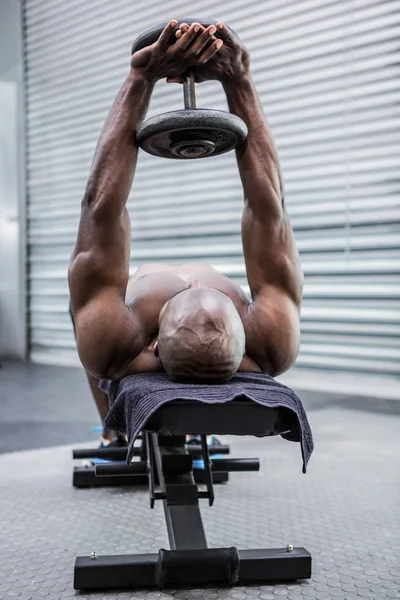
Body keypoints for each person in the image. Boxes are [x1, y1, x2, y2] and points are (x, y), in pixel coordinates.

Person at [68, 20, 303, 445]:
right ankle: (120, 428)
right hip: (193, 336)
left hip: (118, 331)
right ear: (242, 333)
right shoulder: (271, 341)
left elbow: (101, 208)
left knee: (87, 310)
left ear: (152, 348)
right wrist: (238, 79)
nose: (190, 286)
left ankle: (113, 428)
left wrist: (141, 78)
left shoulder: (118, 342)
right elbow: (269, 209)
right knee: (90, 304)